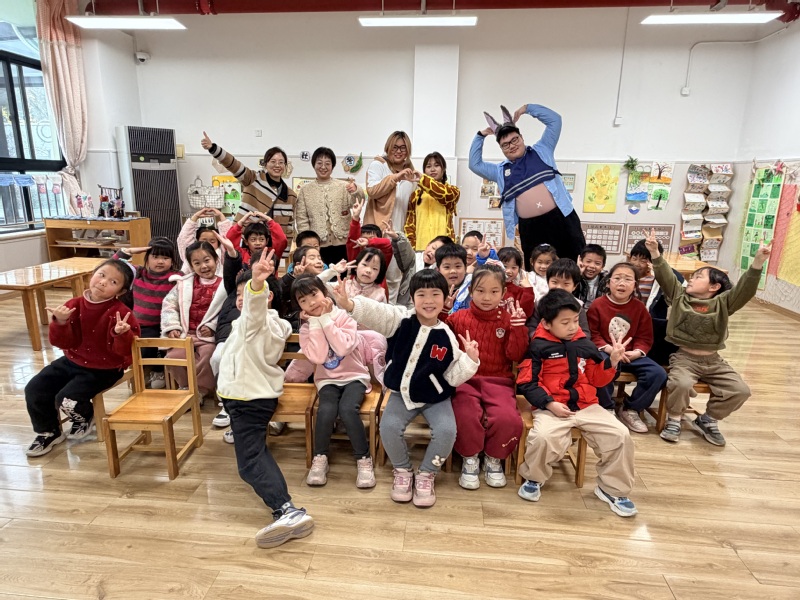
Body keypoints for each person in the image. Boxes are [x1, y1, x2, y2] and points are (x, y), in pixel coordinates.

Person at [331, 270, 480, 507]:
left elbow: (453, 376)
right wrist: (349, 304)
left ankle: (427, 473)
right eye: (421, 294)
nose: (428, 300)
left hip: (435, 397)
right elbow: (378, 312)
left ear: (445, 298)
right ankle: (402, 470)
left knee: (447, 431)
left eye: (435, 294)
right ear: (412, 298)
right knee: (388, 427)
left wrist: (470, 360)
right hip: (402, 393)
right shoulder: (401, 320)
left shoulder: (447, 336)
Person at [216, 249, 314, 549]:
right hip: (243, 397)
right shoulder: (254, 324)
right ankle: (286, 509)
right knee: (253, 453)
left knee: (250, 462)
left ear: (267, 297)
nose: (242, 299)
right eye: (239, 295)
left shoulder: (259, 322)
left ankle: (287, 509)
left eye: (247, 294)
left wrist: (256, 284)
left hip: (249, 398)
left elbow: (254, 311)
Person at [516, 289, 637, 518]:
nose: (573, 327)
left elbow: (597, 380)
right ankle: (534, 479)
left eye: (575, 320)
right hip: (552, 406)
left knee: (620, 435)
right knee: (543, 437)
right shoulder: (537, 347)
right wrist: (549, 403)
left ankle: (612, 490)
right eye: (565, 322)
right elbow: (527, 383)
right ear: (547, 323)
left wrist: (612, 362)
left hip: (587, 404)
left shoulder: (584, 344)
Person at [645, 230, 771, 446]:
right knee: (681, 383)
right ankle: (674, 420)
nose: (691, 280)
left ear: (714, 287)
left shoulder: (724, 303)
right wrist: (655, 252)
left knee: (740, 390)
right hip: (684, 358)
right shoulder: (679, 296)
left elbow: (745, 290)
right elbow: (665, 276)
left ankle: (708, 419)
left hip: (714, 361)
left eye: (698, 277)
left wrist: (758, 261)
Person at [25, 259, 140, 456]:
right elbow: (62, 343)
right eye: (101, 275)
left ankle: (86, 416)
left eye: (113, 282)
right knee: (34, 388)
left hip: (105, 369)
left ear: (121, 291)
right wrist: (60, 323)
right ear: (92, 275)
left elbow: (125, 352)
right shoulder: (73, 305)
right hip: (72, 361)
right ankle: (49, 431)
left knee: (67, 398)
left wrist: (121, 334)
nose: (103, 282)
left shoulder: (122, 313)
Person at [468, 104, 585, 266]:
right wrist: (480, 136)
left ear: (521, 137)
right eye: (505, 144)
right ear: (501, 149)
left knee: (574, 264)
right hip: (531, 229)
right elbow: (475, 164)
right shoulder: (499, 171)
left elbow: (555, 121)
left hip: (562, 219)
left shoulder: (542, 150)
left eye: (514, 139)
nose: (512, 145)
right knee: (536, 271)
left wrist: (527, 108)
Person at [444, 264, 528, 490]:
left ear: (503, 293)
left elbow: (516, 355)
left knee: (507, 418)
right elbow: (438, 339)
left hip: (499, 382)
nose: (487, 297)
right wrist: (443, 312)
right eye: (480, 291)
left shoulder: (508, 320)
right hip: (465, 380)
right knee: (465, 414)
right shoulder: (458, 318)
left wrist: (518, 329)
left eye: (494, 291)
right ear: (471, 290)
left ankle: (494, 458)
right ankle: (470, 458)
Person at [294, 275, 376, 489]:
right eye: (303, 300)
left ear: (325, 293)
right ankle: (320, 458)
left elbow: (342, 348)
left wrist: (326, 319)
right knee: (326, 410)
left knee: (348, 409)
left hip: (354, 377)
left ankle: (363, 458)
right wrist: (316, 322)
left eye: (314, 294)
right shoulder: (306, 328)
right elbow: (319, 357)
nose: (311, 302)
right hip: (327, 380)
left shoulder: (345, 317)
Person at [588, 262, 668, 431]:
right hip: (607, 352)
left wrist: (637, 352)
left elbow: (645, 337)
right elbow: (593, 334)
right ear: (608, 283)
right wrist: (609, 350)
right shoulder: (597, 305)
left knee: (657, 373)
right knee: (601, 366)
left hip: (630, 354)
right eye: (617, 278)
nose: (622, 283)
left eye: (628, 279)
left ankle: (631, 409)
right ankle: (607, 407)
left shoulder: (639, 308)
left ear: (635, 285)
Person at [201, 131, 297, 261]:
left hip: (270, 247)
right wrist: (213, 148)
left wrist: (283, 252)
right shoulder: (252, 179)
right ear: (265, 164)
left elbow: (289, 227)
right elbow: (234, 165)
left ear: (285, 166)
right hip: (246, 241)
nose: (277, 165)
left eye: (281, 162)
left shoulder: (290, 195)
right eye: (273, 161)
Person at [113, 237, 182, 389]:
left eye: (165, 258)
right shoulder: (137, 273)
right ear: (147, 258)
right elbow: (113, 267)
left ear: (172, 260)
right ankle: (148, 370)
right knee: (143, 347)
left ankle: (159, 370)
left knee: (165, 346)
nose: (160, 261)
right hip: (141, 325)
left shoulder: (176, 277)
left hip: (167, 325)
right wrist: (127, 251)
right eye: (155, 257)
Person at [161, 241, 225, 400]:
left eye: (207, 260)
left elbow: (226, 311)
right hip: (185, 333)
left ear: (216, 259)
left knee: (208, 356)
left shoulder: (224, 285)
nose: (204, 266)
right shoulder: (184, 284)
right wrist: (173, 327)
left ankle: (201, 389)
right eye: (197, 263)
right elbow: (169, 304)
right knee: (173, 357)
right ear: (191, 266)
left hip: (208, 337)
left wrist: (213, 326)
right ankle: (185, 386)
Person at [365, 131, 417, 303]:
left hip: (399, 234)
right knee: (372, 275)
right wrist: (395, 177)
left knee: (395, 278)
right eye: (395, 147)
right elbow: (372, 191)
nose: (399, 151)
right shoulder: (379, 165)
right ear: (388, 147)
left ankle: (391, 313)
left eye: (403, 148)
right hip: (379, 232)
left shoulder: (411, 172)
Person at [295, 147, 365, 265]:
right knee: (321, 274)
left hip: (343, 243)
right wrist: (307, 243)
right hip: (318, 246)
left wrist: (356, 190)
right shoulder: (305, 190)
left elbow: (357, 201)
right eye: (319, 163)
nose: (323, 167)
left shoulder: (343, 186)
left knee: (344, 273)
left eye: (327, 163)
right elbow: (302, 219)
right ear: (314, 165)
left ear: (332, 166)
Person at [628, 238, 685, 366]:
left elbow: (680, 285)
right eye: (634, 258)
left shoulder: (659, 279)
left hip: (651, 327)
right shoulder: (625, 275)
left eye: (643, 260)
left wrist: (659, 269)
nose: (637, 264)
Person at [404, 152, 459, 252]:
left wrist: (423, 180)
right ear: (424, 170)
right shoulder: (415, 196)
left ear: (443, 169)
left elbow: (443, 194)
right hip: (421, 250)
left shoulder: (452, 191)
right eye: (428, 166)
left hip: (445, 250)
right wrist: (412, 249)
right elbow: (410, 226)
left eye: (436, 165)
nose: (432, 169)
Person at [177, 208, 232, 276]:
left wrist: (221, 216)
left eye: (212, 241)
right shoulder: (191, 253)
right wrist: (195, 217)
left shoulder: (222, 255)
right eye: (204, 240)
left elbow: (228, 240)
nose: (208, 244)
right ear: (197, 241)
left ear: (219, 243)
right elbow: (184, 240)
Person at [496, 247, 535, 317]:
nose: (509, 271)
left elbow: (526, 313)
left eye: (514, 267)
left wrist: (528, 290)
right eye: (505, 266)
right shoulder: (489, 284)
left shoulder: (519, 291)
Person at [436, 243, 471, 314]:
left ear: (465, 267)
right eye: (447, 267)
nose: (453, 271)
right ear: (438, 270)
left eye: (458, 266)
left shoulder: (473, 286)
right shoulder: (434, 289)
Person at [576, 244, 608, 309]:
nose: (592, 266)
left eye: (597, 263)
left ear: (603, 266)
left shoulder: (606, 280)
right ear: (580, 261)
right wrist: (577, 274)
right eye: (588, 261)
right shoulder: (572, 278)